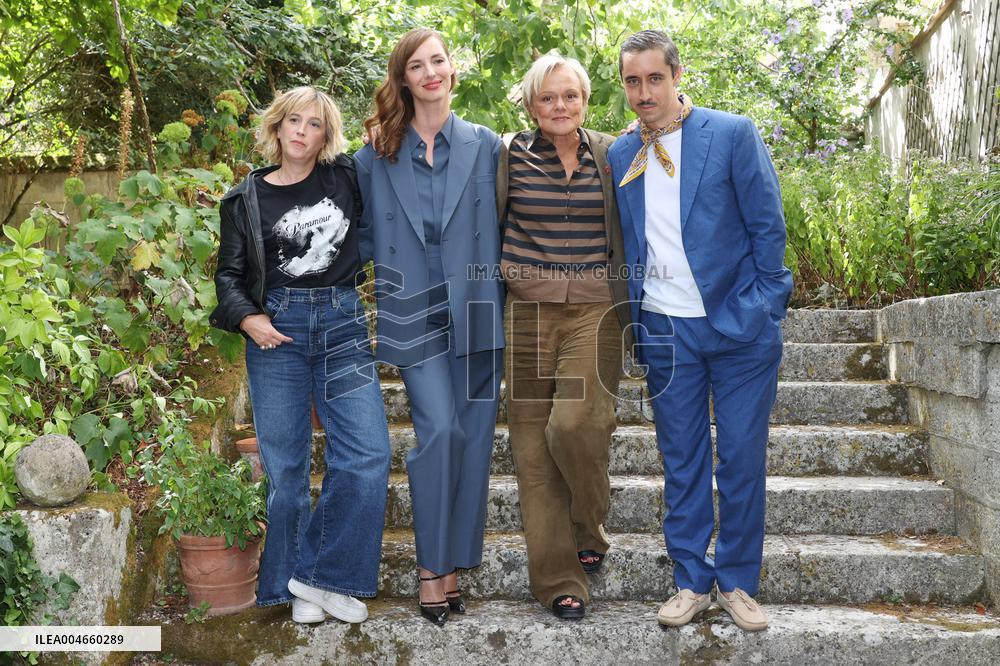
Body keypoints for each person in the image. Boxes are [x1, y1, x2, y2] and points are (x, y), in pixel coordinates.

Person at [608, 30, 793, 631]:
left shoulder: (732, 134)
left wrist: (766, 306)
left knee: (740, 457)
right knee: (681, 461)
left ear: (676, 76)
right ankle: (690, 579)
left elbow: (768, 227)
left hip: (738, 328)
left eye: (654, 78)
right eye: (632, 81)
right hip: (665, 330)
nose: (644, 92)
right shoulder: (620, 154)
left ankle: (737, 582)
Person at [210, 86, 391, 625]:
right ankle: (293, 593)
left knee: (368, 453)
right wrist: (248, 318)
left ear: (325, 136)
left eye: (315, 125)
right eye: (294, 120)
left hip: (342, 326)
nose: (301, 132)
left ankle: (321, 578)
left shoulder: (344, 179)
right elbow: (229, 275)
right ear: (277, 126)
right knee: (286, 472)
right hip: (277, 334)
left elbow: (392, 165)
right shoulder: (244, 198)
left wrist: (383, 136)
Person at [355, 28, 504, 626]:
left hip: (477, 309)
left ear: (452, 70)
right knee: (439, 431)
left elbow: (551, 163)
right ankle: (429, 569)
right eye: (417, 66)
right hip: (411, 307)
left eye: (438, 61)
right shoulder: (376, 153)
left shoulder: (488, 144)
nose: (430, 72)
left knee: (471, 441)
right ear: (404, 79)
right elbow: (351, 228)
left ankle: (452, 567)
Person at [496, 54, 631, 620]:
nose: (560, 107)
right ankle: (558, 581)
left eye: (570, 96)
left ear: (586, 99)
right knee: (531, 450)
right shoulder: (507, 154)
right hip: (527, 312)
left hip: (596, 311)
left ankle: (589, 524)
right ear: (531, 105)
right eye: (548, 98)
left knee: (578, 424)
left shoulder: (613, 152)